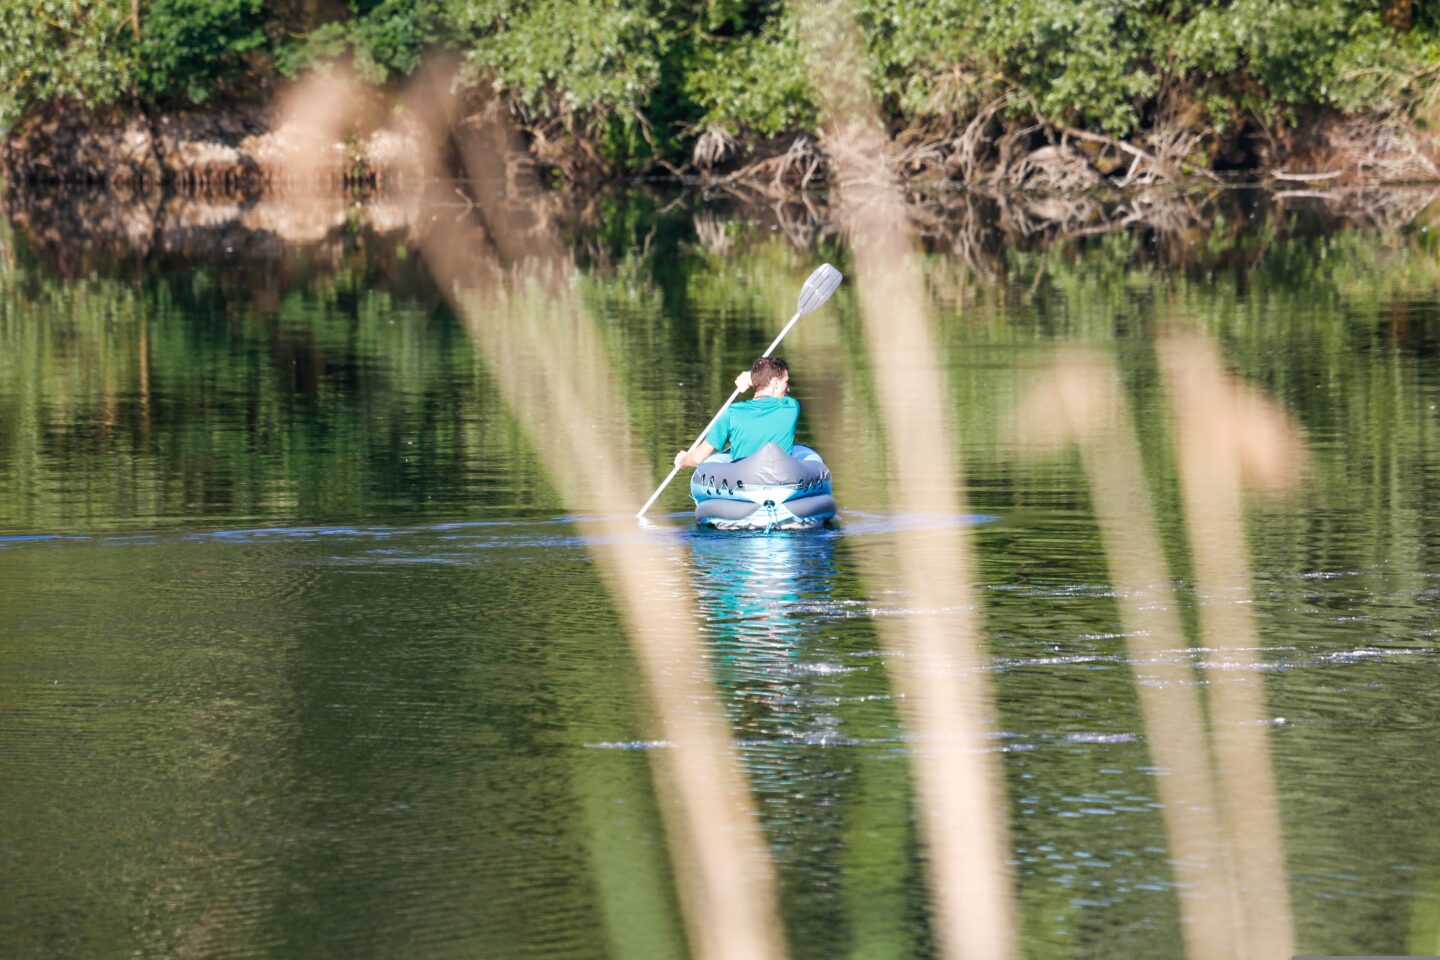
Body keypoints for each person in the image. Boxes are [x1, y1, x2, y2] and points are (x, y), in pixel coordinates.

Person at [674, 357, 798, 468]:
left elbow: (697, 458)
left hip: (742, 482)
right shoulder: (792, 407)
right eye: (786, 382)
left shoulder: (732, 412)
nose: (788, 388)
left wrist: (683, 460)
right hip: (782, 479)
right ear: (776, 383)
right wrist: (749, 378)